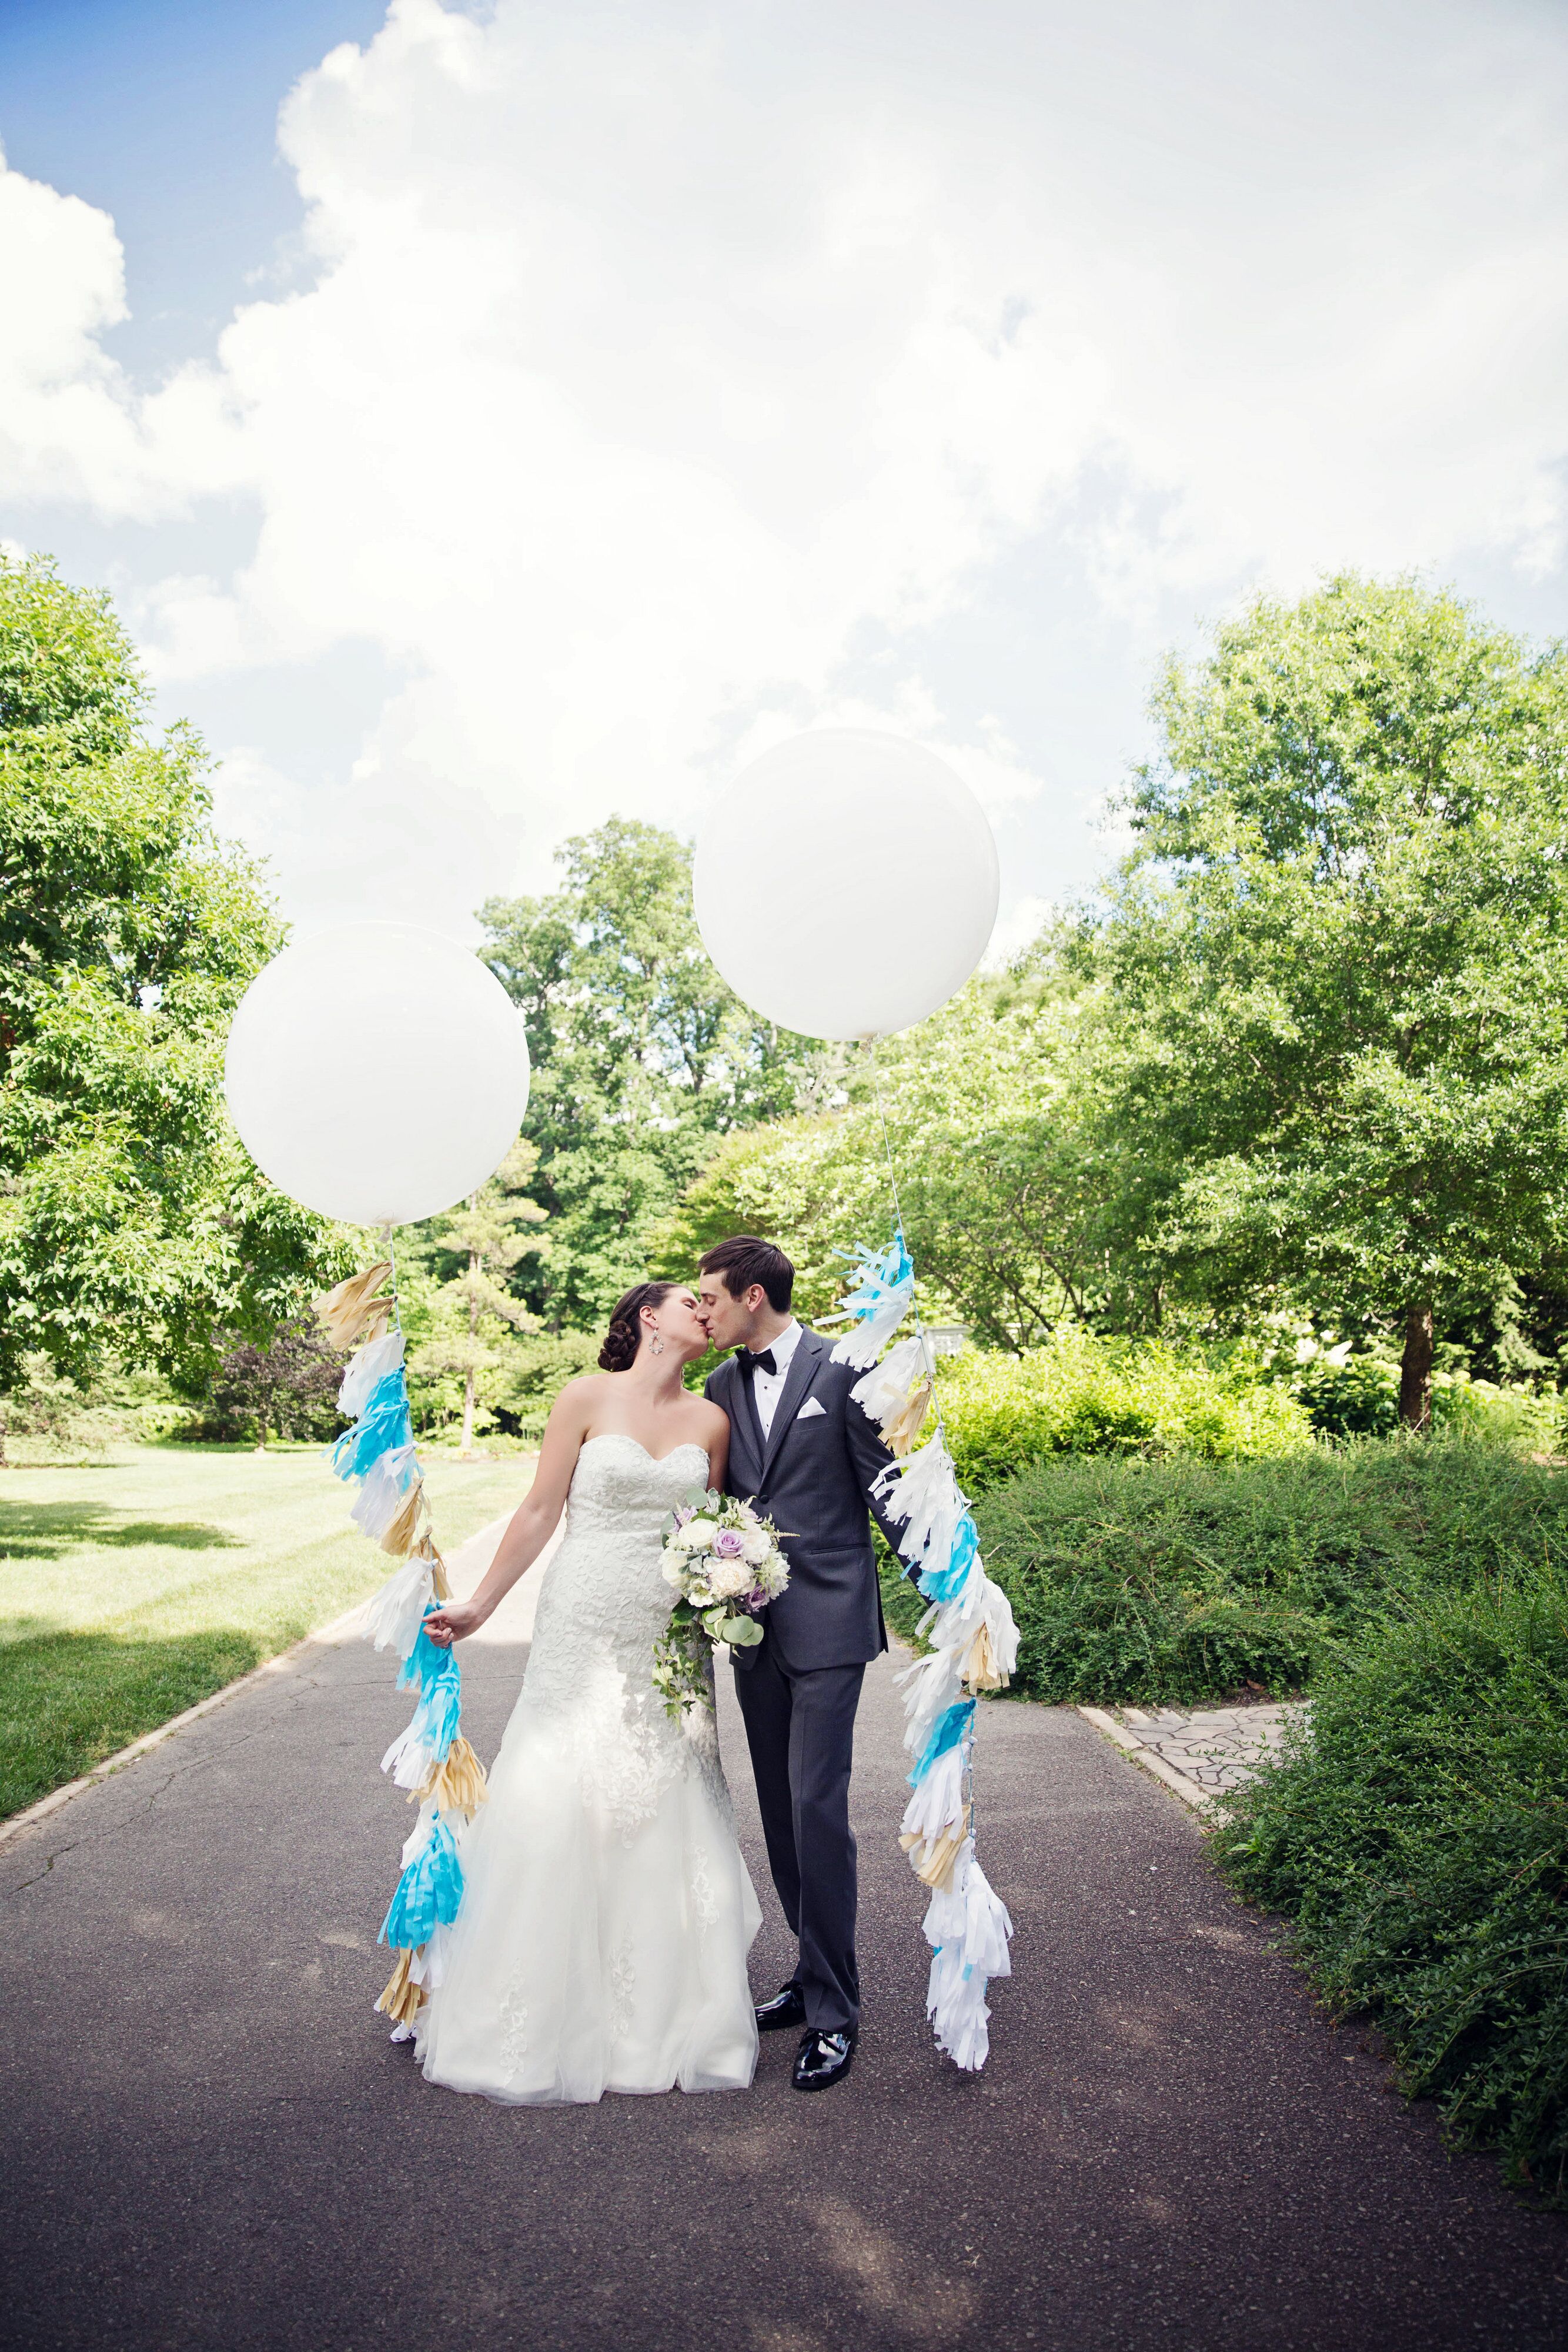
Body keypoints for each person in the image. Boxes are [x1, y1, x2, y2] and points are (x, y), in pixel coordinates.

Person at [413, 1281, 761, 2106]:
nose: (705, 1312)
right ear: (648, 1318)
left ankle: (662, 2011)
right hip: (581, 1615)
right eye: (689, 1301)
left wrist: (727, 1585)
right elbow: (539, 1511)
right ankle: (530, 2007)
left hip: (665, 1632)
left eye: (710, 1303)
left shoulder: (712, 1419)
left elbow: (708, 1528)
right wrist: (479, 1603)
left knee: (662, 1793)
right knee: (558, 1781)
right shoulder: (584, 1397)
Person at [696, 1236, 901, 2094]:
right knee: (778, 1811)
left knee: (819, 1807)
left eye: (711, 1298)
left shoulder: (847, 1369)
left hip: (830, 1625)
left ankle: (835, 2013)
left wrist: (950, 1593)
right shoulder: (717, 1387)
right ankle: (810, 1971)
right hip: (755, 1629)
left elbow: (887, 1485)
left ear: (752, 1296)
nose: (701, 1312)